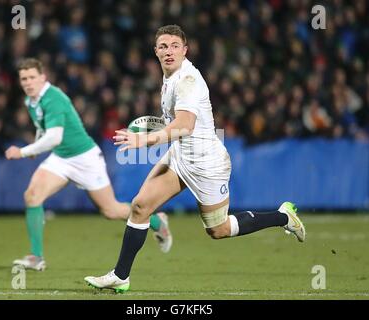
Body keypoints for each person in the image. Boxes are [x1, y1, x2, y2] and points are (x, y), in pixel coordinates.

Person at [84, 25, 306, 293]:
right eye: (163, 46)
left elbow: (185, 125)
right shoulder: (169, 76)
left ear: (184, 50)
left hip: (206, 165)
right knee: (141, 206)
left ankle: (283, 217)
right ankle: (121, 276)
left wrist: (143, 140)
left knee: (218, 230)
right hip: (180, 156)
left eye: (175, 46)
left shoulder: (188, 80)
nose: (169, 51)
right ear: (156, 52)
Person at [5, 58, 172, 271]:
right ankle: (36, 257)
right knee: (32, 196)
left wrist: (24, 151)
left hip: (85, 158)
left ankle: (157, 221)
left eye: (31, 77)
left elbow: (55, 137)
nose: (28, 82)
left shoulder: (53, 98)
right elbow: (45, 130)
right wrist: (37, 144)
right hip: (61, 158)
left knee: (110, 211)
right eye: (23, 79)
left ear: (42, 78)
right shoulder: (31, 101)